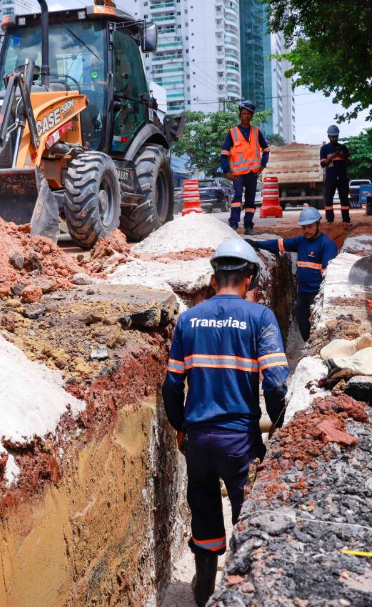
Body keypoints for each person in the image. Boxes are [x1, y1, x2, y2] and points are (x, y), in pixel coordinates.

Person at [162, 240, 289, 607]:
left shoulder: (188, 319)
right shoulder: (260, 318)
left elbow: (172, 385)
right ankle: (240, 593)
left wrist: (181, 427)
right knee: (247, 519)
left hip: (199, 441)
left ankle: (202, 594)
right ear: (249, 278)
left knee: (203, 518)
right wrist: (278, 428)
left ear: (214, 278)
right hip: (241, 443)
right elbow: (277, 383)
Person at [246, 207, 338, 342]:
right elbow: (279, 244)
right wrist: (256, 244)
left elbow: (327, 276)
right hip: (303, 294)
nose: (306, 230)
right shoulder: (301, 241)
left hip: (318, 295)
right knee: (302, 323)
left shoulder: (327, 245)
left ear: (319, 224)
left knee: (317, 326)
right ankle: (308, 345)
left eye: (310, 226)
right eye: (303, 227)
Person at [221, 101, 270, 236]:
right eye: (244, 114)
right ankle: (233, 226)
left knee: (250, 201)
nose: (246, 116)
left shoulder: (256, 132)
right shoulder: (232, 133)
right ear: (239, 115)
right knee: (237, 198)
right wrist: (227, 171)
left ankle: (248, 226)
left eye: (249, 114)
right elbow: (224, 154)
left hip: (252, 173)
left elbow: (266, 149)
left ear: (252, 115)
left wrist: (262, 165)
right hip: (237, 174)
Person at [320, 125, 351, 224]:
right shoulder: (325, 149)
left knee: (344, 199)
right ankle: (330, 220)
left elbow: (350, 162)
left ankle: (346, 220)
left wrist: (342, 155)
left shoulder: (343, 147)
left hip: (342, 177)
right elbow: (323, 164)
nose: (334, 138)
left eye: (336, 136)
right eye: (332, 136)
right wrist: (332, 156)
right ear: (328, 136)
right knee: (328, 199)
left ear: (338, 136)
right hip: (330, 178)